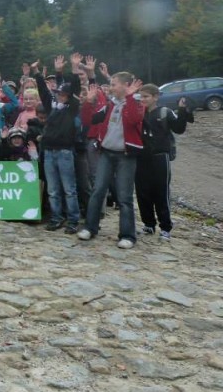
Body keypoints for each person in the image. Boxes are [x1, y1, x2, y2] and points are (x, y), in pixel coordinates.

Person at [77, 72, 144, 249]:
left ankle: (128, 235)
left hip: (126, 155)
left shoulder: (137, 103)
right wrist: (88, 103)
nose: (111, 87)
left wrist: (129, 97)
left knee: (124, 196)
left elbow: (133, 120)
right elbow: (88, 120)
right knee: (97, 190)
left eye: (114, 84)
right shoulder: (109, 104)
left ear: (125, 85)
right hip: (106, 153)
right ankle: (90, 228)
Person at [134, 84, 192, 240]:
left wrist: (182, 110)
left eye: (146, 96)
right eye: (141, 96)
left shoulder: (165, 112)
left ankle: (165, 228)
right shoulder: (139, 113)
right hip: (141, 157)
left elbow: (179, 128)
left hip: (160, 157)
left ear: (155, 97)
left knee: (161, 192)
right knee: (142, 192)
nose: (143, 99)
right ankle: (148, 225)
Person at [35, 55, 82, 234]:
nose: (60, 96)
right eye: (58, 93)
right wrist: (38, 73)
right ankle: (56, 217)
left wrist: (74, 70)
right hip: (49, 151)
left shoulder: (72, 109)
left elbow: (75, 87)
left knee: (69, 189)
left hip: (65, 151)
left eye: (63, 94)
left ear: (69, 96)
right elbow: (43, 91)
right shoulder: (52, 107)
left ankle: (73, 220)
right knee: (53, 189)